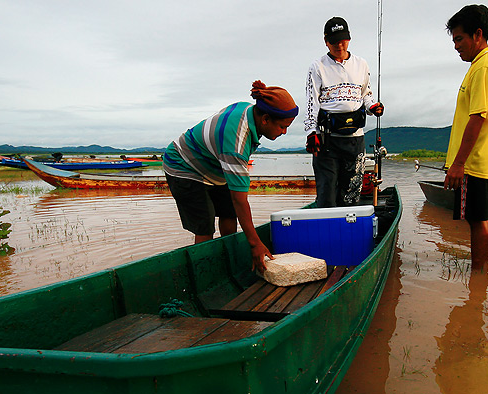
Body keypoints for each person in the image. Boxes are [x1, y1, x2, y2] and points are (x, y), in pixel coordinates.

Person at [163, 80, 298, 273]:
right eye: (282, 126)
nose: (284, 132)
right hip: (184, 165)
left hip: (214, 164)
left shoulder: (248, 110)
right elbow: (240, 199)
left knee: (229, 213)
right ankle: (204, 272)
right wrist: (255, 243)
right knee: (204, 224)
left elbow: (235, 203)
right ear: (265, 119)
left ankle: (230, 263)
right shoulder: (236, 143)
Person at [443, 4, 488, 272]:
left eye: (459, 39)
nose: (456, 46)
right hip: (475, 159)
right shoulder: (481, 65)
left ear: (477, 34)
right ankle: (477, 278)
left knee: (478, 218)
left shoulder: (485, 67)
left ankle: (478, 276)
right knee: (475, 217)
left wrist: (459, 164)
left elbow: (477, 118)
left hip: (475, 160)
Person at [305, 16, 384, 207]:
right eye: (334, 41)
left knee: (351, 193)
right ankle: (326, 232)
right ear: (326, 42)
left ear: (349, 39)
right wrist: (310, 133)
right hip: (327, 140)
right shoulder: (317, 67)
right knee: (327, 194)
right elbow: (311, 102)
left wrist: (372, 106)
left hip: (355, 140)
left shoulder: (361, 64)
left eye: (343, 40)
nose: (339, 45)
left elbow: (366, 94)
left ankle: (348, 231)